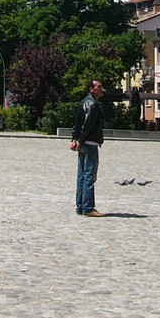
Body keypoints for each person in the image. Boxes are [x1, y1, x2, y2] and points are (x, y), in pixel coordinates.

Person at [69, 79, 105, 217]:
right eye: (98, 87)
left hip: (83, 144)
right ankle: (88, 207)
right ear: (91, 89)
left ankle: (80, 206)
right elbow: (87, 124)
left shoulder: (82, 102)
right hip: (90, 144)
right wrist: (80, 140)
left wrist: (75, 139)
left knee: (82, 176)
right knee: (89, 176)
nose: (101, 89)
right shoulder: (93, 104)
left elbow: (76, 123)